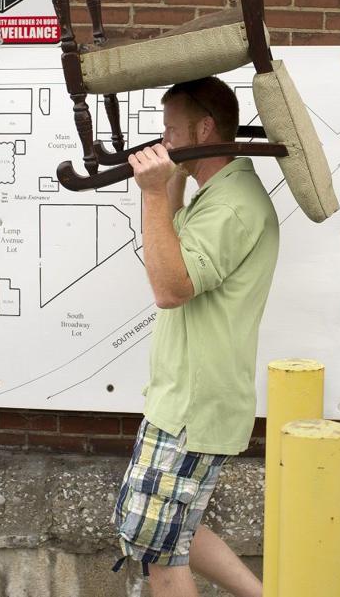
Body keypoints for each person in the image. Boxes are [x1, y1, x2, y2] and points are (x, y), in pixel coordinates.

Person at [113, 76, 280, 597]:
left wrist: (151, 193)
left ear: (205, 128)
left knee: (155, 548)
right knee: (173, 532)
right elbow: (181, 238)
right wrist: (171, 180)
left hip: (191, 407)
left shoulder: (231, 205)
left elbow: (170, 286)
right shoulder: (221, 193)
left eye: (170, 130)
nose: (161, 141)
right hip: (186, 400)